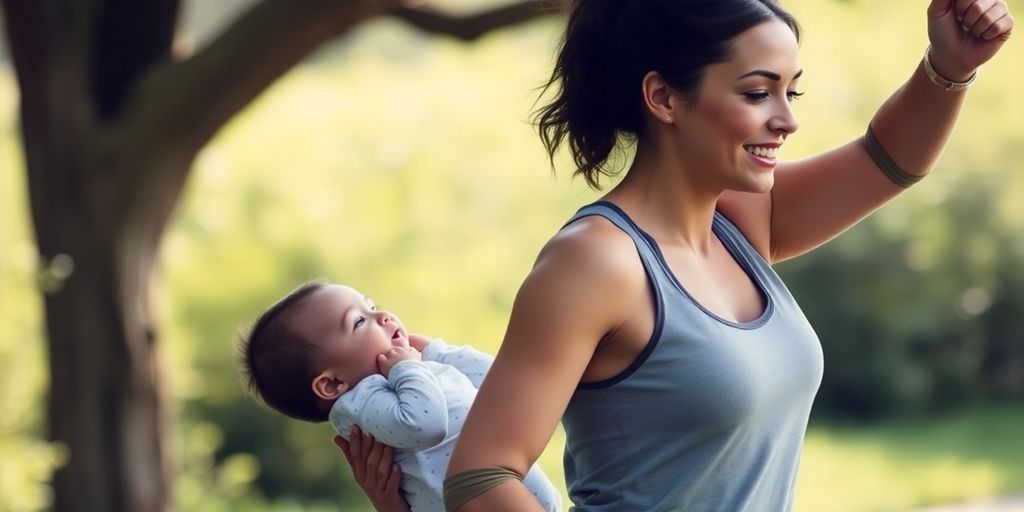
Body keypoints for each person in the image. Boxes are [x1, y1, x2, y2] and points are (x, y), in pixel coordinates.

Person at [341, 0, 1014, 510]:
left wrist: (950, 66)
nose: (787, 118)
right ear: (663, 97)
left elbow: (883, 162)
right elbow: (483, 475)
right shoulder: (595, 264)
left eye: (791, 90)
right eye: (757, 92)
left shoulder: (739, 223)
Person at [239, 281, 561, 512]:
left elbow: (496, 379)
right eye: (360, 321)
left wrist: (437, 353)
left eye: (372, 305)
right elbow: (427, 424)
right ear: (333, 384)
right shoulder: (362, 402)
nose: (385, 317)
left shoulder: (406, 374)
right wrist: (410, 369)